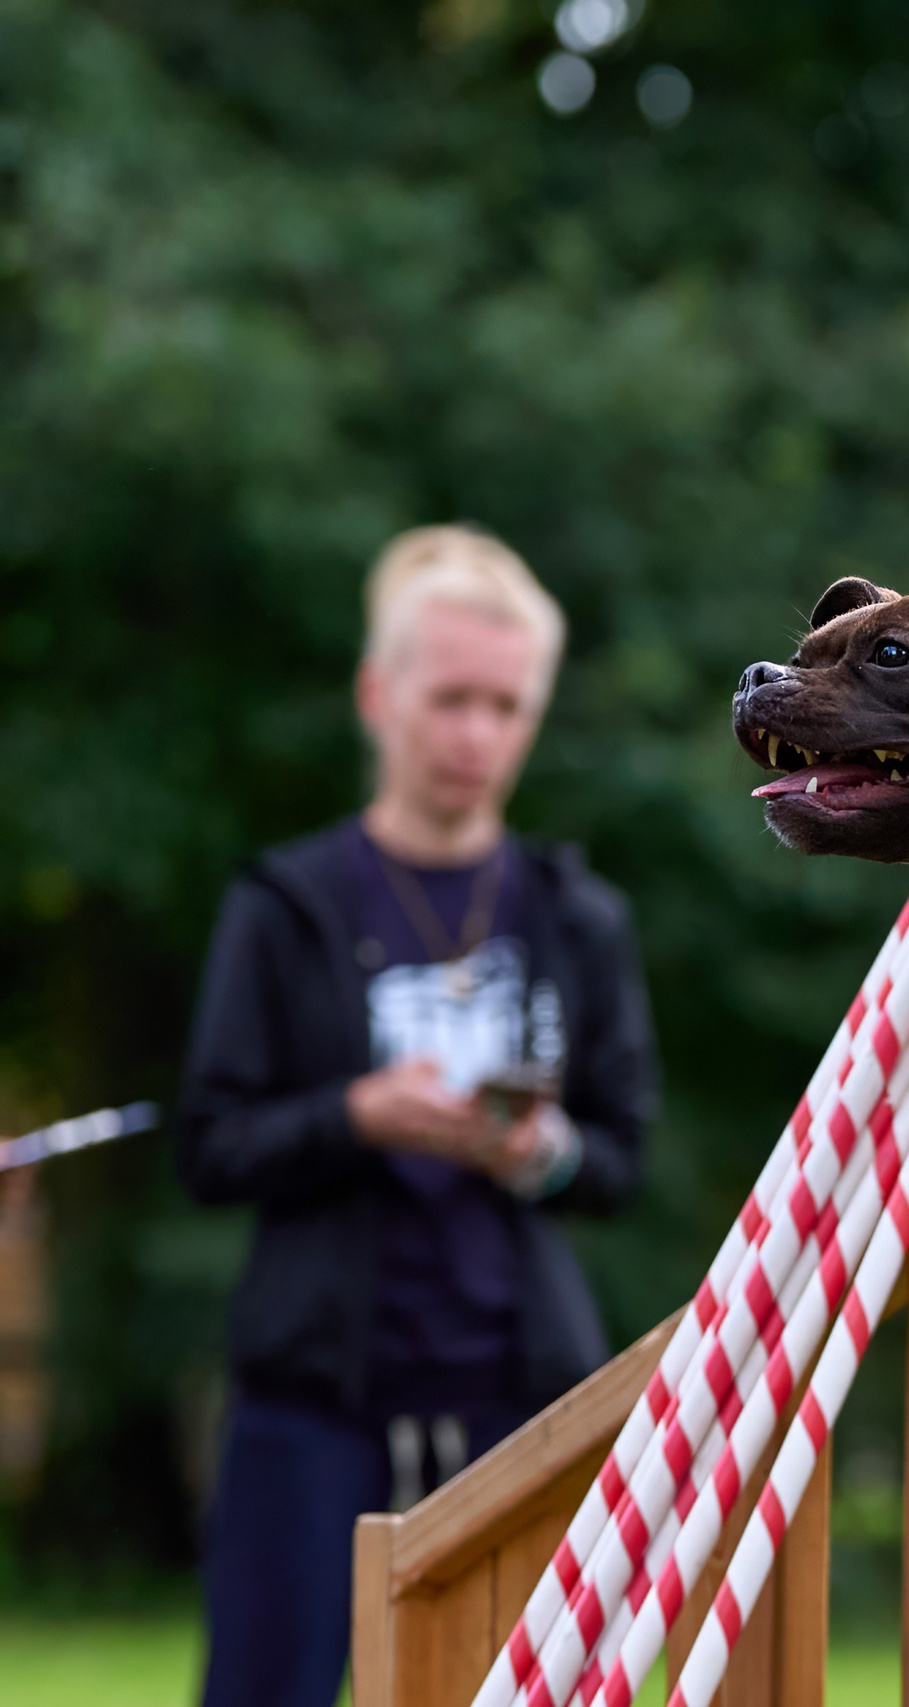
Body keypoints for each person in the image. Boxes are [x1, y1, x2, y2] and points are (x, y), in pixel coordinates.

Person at [176, 526, 655, 1707]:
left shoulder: (574, 916)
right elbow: (210, 1148)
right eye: (450, 700)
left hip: (517, 1397)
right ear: (378, 695)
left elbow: (620, 1156)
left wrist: (537, 1151)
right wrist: (357, 1115)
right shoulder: (285, 907)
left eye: (507, 705)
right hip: (312, 1402)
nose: (477, 736)